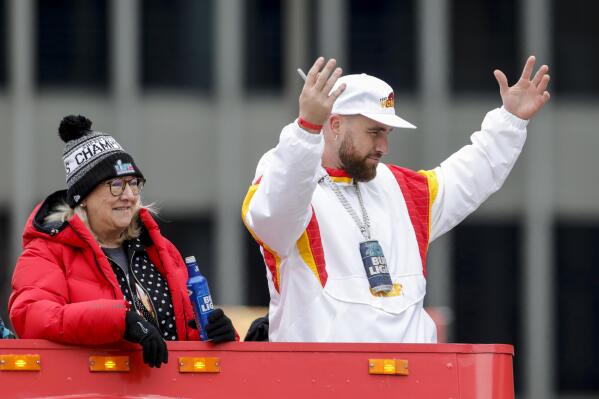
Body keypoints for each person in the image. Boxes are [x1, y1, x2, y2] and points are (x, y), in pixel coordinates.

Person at [242, 56, 550, 342]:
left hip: (413, 381)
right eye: (374, 132)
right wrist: (306, 129)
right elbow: (275, 216)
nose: (384, 146)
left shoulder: (401, 187)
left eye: (387, 132)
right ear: (334, 125)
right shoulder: (284, 178)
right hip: (321, 383)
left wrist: (510, 121)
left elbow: (471, 175)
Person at [9, 115, 236, 367]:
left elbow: (185, 335)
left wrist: (220, 335)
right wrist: (119, 321)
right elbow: (30, 317)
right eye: (115, 184)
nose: (128, 195)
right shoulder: (46, 252)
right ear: (83, 196)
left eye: (133, 184)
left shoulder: (159, 250)